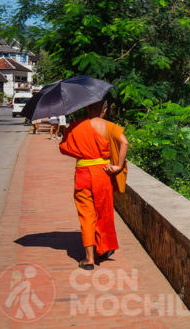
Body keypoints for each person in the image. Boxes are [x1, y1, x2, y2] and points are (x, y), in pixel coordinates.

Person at [59, 99, 128, 270]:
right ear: (104, 110)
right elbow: (124, 143)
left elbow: (63, 148)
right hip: (103, 173)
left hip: (83, 174)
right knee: (103, 212)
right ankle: (104, 249)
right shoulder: (109, 126)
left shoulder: (76, 126)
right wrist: (118, 166)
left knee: (87, 215)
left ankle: (89, 259)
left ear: (88, 107)